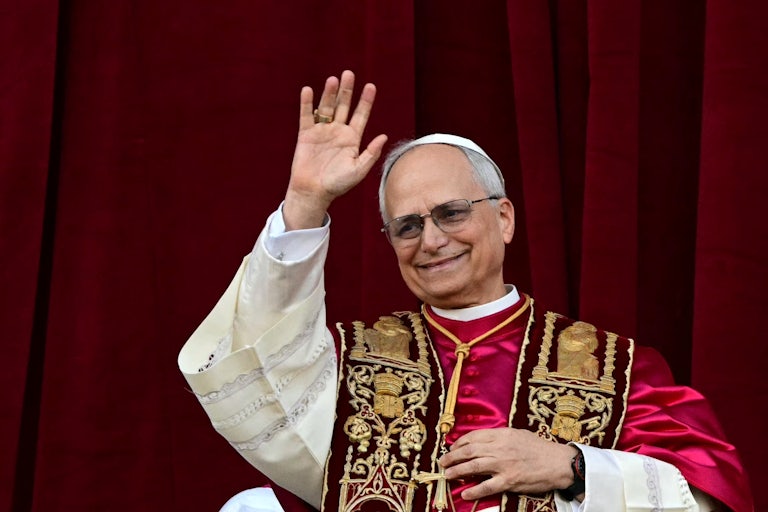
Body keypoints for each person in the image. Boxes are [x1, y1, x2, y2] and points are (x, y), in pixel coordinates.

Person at [178, 70, 753, 512]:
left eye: (451, 213)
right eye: (407, 225)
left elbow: (706, 495)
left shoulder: (617, 368)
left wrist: (574, 466)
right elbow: (255, 371)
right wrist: (306, 203)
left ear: (503, 218)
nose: (431, 240)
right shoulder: (343, 362)